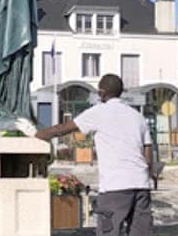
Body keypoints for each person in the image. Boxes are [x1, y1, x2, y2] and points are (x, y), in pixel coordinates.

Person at [35, 74, 155, 236]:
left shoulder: (98, 112)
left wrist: (35, 134)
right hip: (141, 185)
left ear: (102, 93)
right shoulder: (137, 116)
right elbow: (148, 150)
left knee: (109, 232)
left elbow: (61, 129)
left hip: (115, 186)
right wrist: (148, 174)